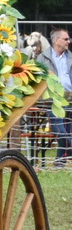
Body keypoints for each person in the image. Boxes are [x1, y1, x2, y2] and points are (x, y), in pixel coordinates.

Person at [46, 28, 72, 166]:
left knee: (68, 131)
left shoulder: (70, 57)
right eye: (66, 39)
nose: (69, 41)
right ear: (57, 41)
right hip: (52, 100)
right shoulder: (42, 58)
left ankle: (59, 163)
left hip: (70, 98)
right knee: (60, 131)